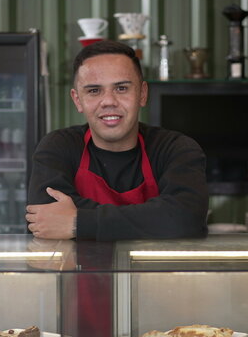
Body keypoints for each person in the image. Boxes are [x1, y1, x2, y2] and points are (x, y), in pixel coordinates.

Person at [25, 40, 208, 241]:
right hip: (78, 272)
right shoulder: (58, 147)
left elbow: (186, 219)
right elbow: (44, 218)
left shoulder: (175, 149)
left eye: (121, 88)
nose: (109, 101)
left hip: (154, 272)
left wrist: (79, 222)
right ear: (78, 100)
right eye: (94, 90)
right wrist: (154, 217)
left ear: (143, 94)